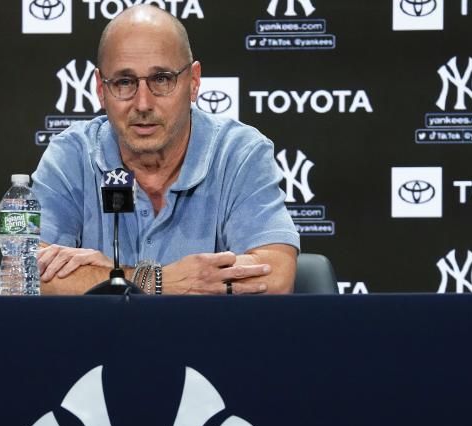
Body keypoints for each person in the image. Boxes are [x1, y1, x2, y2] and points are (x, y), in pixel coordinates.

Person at [32, 5, 300, 295]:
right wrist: (156, 280)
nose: (143, 104)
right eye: (124, 82)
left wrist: (107, 279)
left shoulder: (239, 153)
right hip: (102, 341)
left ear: (194, 82)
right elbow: (28, 274)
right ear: (100, 88)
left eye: (161, 79)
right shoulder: (70, 155)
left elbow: (275, 277)